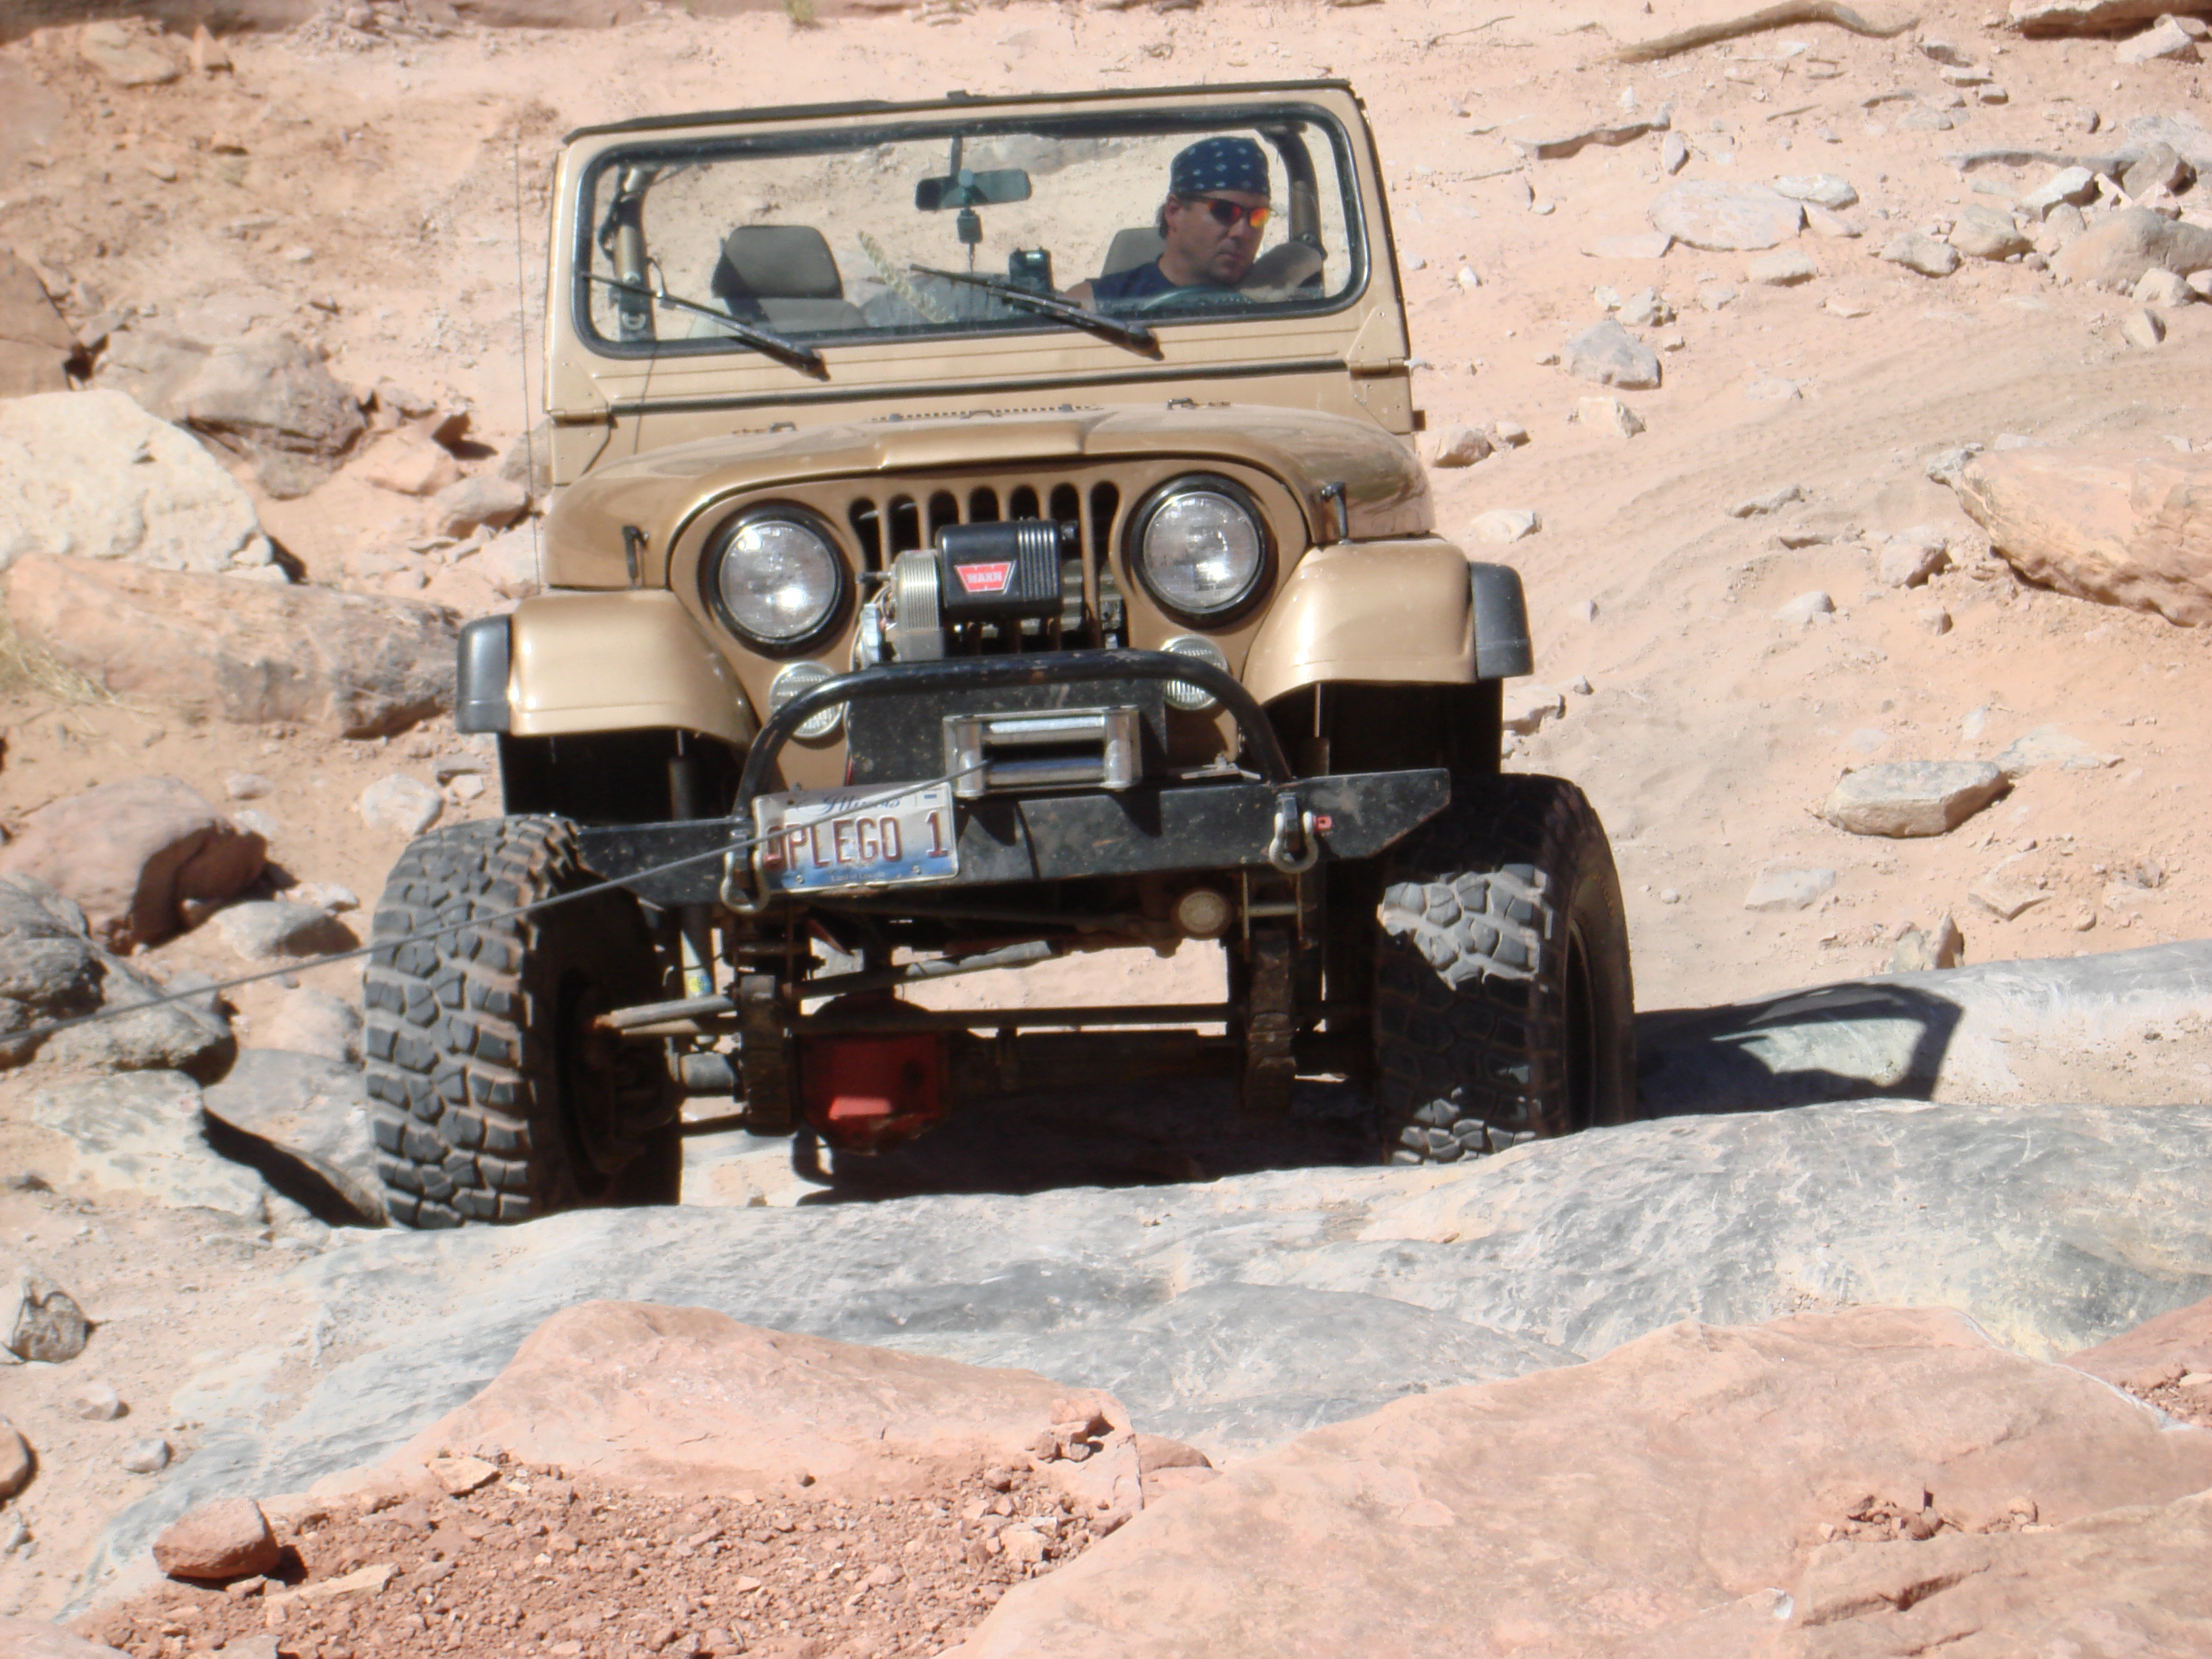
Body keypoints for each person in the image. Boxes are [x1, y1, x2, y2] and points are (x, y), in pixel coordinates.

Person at [1067, 136, 1273, 307]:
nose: (1242, 232)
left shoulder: (1278, 300)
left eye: (1258, 216)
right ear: (1175, 212)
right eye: (1225, 212)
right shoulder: (1097, 305)